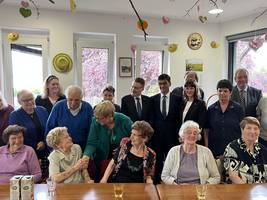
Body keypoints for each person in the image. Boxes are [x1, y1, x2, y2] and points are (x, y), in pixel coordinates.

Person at [83, 101, 133, 181]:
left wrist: (123, 148)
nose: (96, 120)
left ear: (110, 116)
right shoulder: (95, 122)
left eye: (99, 118)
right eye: (96, 117)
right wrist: (86, 156)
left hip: (122, 158)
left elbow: (135, 138)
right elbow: (92, 142)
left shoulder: (124, 120)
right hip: (102, 157)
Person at [151, 74, 184, 183]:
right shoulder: (153, 99)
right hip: (157, 137)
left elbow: (180, 119)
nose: (162, 86)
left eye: (164, 83)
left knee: (173, 160)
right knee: (158, 161)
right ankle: (156, 182)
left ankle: (172, 182)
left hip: (172, 136)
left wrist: (179, 135)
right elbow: (152, 119)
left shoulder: (178, 99)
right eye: (160, 84)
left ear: (169, 83)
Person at [204, 79, 244, 158]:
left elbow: (243, 129)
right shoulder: (211, 109)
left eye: (225, 91)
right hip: (214, 151)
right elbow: (206, 130)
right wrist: (206, 147)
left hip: (234, 151)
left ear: (230, 92)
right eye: (220, 91)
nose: (222, 93)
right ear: (217, 92)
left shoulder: (238, 108)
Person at [46, 85, 93, 151]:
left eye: (77, 100)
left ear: (81, 98)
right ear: (66, 98)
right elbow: (49, 129)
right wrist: (52, 150)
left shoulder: (87, 108)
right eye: (70, 99)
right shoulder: (58, 107)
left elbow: (91, 132)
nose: (73, 103)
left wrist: (88, 151)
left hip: (82, 148)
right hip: (61, 149)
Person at [224, 117, 267, 184]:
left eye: (255, 128)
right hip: (239, 190)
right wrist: (248, 191)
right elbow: (233, 176)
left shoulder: (263, 149)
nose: (252, 131)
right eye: (249, 128)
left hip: (261, 190)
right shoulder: (233, 148)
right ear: (242, 129)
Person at [9, 90, 49, 160]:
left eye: (31, 99)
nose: (30, 102)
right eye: (26, 100)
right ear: (19, 102)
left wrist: (44, 142)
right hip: (25, 153)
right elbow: (16, 136)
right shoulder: (14, 115)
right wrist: (36, 145)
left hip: (45, 150)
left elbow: (49, 128)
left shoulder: (42, 110)